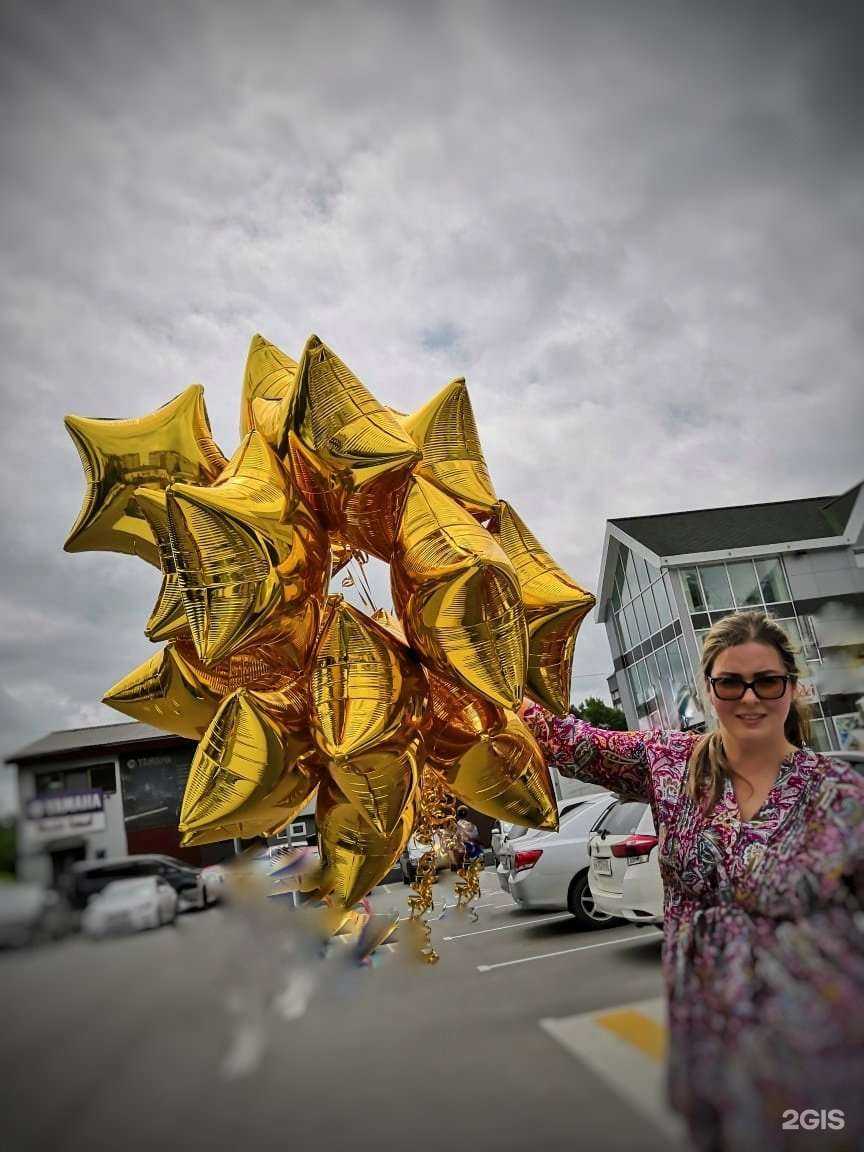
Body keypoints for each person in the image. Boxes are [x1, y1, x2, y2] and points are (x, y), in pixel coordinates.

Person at [522, 610, 863, 1151]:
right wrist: (471, 671)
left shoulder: (840, 793)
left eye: (767, 682)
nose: (749, 698)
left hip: (821, 1043)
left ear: (792, 687)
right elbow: (567, 740)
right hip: (712, 1043)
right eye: (730, 683)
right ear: (709, 689)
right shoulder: (670, 764)